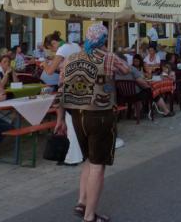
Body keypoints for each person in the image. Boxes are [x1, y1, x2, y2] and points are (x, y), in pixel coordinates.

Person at [54, 24, 129, 222]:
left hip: (77, 115)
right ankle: (89, 216)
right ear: (103, 40)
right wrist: (107, 52)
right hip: (101, 115)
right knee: (98, 165)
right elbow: (126, 69)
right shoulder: (108, 57)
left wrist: (60, 119)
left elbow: (61, 90)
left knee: (88, 159)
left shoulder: (71, 59)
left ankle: (82, 202)